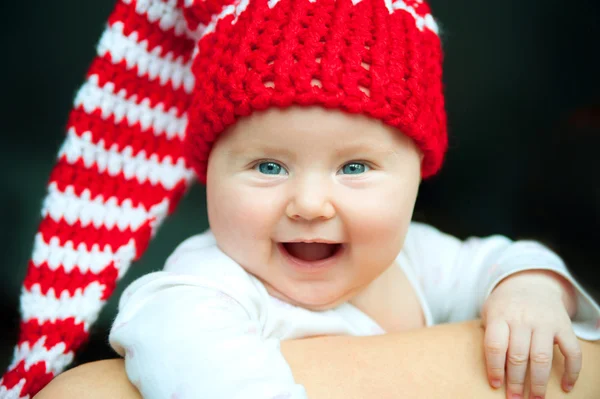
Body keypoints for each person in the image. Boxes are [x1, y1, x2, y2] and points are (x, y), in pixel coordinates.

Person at [1, 1, 599, 399]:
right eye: (268, 166)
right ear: (208, 171)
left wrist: (526, 290)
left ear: (419, 171)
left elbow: (500, 259)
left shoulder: (422, 258)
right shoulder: (200, 293)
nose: (310, 204)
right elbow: (192, 358)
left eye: (355, 167)